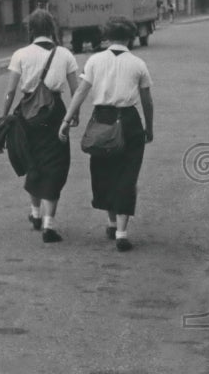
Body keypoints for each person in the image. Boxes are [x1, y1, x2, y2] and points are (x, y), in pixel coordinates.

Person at [58, 16, 154, 251]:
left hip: (102, 120)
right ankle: (121, 232)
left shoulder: (94, 61)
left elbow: (80, 91)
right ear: (130, 37)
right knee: (127, 175)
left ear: (107, 36)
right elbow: (147, 100)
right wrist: (149, 127)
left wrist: (66, 119)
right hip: (129, 121)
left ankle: (111, 222)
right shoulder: (138, 64)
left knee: (105, 172)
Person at [1, 9, 80, 243]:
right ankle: (49, 225)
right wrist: (75, 115)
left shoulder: (20, 54)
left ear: (31, 30)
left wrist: (3, 116)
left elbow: (10, 91)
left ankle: (35, 213)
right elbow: (76, 90)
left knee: (33, 159)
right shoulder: (65, 54)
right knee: (55, 163)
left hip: (27, 112)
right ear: (52, 29)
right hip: (55, 112)